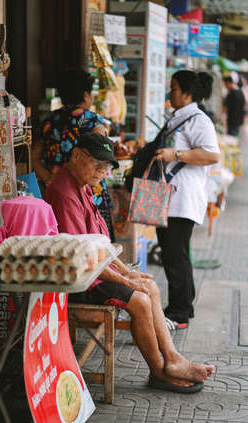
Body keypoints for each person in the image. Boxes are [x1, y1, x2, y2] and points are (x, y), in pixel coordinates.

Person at [44, 131, 215, 394]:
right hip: (81, 281)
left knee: (150, 286)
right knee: (141, 300)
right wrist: (126, 279)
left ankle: (172, 359)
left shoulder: (83, 185)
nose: (102, 171)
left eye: (105, 167)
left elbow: (101, 244)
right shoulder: (64, 193)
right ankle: (159, 371)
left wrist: (128, 273)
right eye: (97, 164)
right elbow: (85, 258)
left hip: (95, 270)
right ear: (77, 156)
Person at [154, 70, 220, 326]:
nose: (170, 93)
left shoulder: (198, 120)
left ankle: (179, 312)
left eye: (173, 89)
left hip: (181, 200)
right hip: (169, 198)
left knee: (175, 255)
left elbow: (212, 155)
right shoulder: (179, 117)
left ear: (187, 94)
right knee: (175, 254)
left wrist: (177, 155)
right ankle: (183, 306)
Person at [32, 69, 115, 241]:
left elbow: (33, 158)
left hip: (57, 193)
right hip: (88, 192)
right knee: (97, 248)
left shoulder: (49, 121)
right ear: (86, 95)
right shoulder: (91, 120)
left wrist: (49, 178)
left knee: (63, 242)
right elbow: (103, 154)